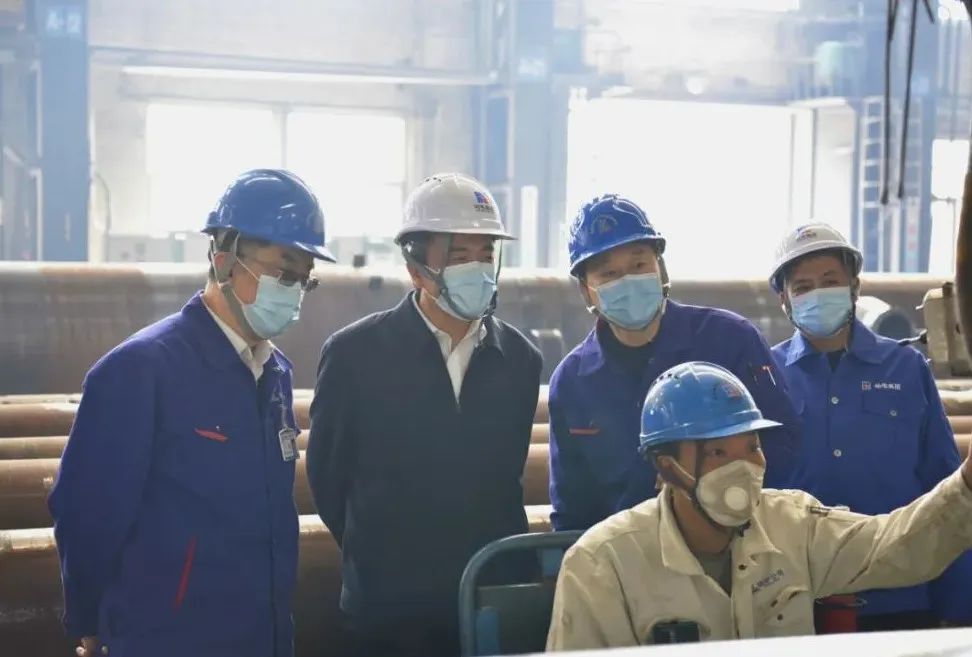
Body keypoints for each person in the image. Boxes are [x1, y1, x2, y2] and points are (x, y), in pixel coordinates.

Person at [48, 169, 335, 657]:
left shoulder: (274, 374)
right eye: (284, 272)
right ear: (224, 259)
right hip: (166, 638)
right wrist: (90, 622)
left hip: (261, 634)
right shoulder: (142, 370)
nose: (293, 290)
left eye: (304, 279)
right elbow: (86, 512)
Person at [546, 361, 972, 650]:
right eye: (717, 453)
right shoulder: (602, 564)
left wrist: (967, 485)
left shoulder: (793, 524)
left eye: (751, 447)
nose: (743, 469)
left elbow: (898, 547)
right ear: (667, 467)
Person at [306, 172, 543, 657]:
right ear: (416, 267)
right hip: (389, 615)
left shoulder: (520, 360)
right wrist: (383, 558)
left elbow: (505, 481)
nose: (477, 268)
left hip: (488, 605)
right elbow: (328, 480)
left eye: (485, 254)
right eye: (459, 256)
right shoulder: (355, 356)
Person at [548, 194, 800, 531]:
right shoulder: (573, 382)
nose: (627, 281)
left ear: (660, 267)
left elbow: (784, 449)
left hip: (739, 542)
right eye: (609, 273)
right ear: (585, 290)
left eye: (639, 265)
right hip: (626, 555)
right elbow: (572, 508)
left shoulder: (730, 341)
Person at [768, 222, 972, 629]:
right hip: (796, 599)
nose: (817, 293)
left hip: (902, 595)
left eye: (830, 281)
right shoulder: (766, 374)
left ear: (854, 286)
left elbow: (948, 488)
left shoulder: (906, 368)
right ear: (785, 300)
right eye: (803, 287)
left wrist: (958, 609)